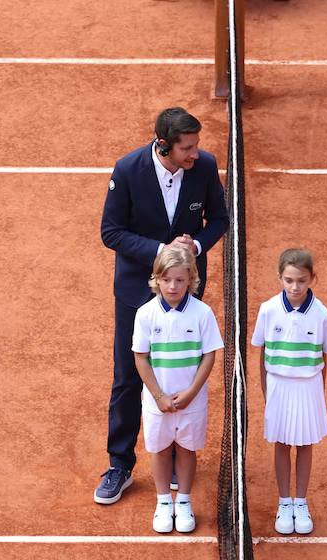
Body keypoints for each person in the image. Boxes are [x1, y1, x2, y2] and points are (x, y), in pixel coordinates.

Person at [95, 107, 229, 504]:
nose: (196, 154)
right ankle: (119, 465)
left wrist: (196, 246)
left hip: (185, 294)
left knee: (178, 375)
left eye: (196, 145)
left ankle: (170, 457)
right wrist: (161, 252)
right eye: (187, 148)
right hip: (137, 294)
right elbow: (111, 231)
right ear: (163, 145)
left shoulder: (204, 166)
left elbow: (219, 219)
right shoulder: (128, 170)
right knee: (128, 377)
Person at [131, 246, 222, 533]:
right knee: (159, 450)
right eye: (167, 279)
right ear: (157, 279)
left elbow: (209, 355)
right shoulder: (145, 314)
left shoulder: (202, 313)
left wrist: (192, 392)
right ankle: (162, 502)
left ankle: (183, 501)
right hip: (157, 401)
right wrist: (158, 395)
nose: (173, 286)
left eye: (180, 280)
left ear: (191, 279)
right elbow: (141, 357)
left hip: (191, 401)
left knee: (185, 449)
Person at [251, 248, 327, 535]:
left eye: (301, 280)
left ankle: (301, 501)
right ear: (280, 278)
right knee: (282, 444)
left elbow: (324, 359)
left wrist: (319, 396)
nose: (295, 287)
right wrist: (266, 393)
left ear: (312, 278)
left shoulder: (322, 314)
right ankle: (284, 502)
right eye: (288, 280)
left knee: (305, 444)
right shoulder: (267, 310)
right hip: (278, 386)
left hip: (309, 387)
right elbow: (262, 355)